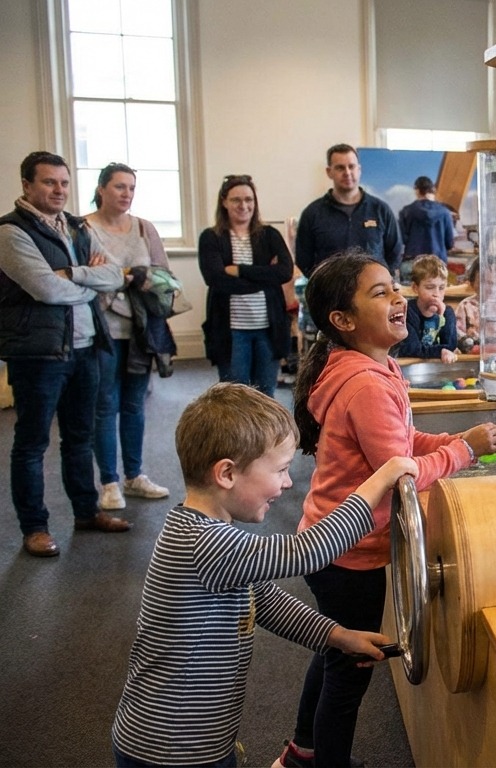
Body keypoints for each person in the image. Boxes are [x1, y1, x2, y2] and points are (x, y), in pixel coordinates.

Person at [277, 252, 496, 768]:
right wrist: (461, 453)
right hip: (349, 553)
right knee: (350, 670)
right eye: (379, 293)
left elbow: (402, 441)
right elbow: (397, 474)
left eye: (393, 288)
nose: (398, 298)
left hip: (331, 540)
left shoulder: (372, 366)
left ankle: (302, 749)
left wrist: (452, 440)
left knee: (333, 647)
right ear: (343, 320)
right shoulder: (365, 384)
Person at [110, 382, 414, 768]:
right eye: (281, 470)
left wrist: (339, 637)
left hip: (198, 741)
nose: (288, 483)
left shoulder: (210, 535)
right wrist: (380, 479)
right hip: (169, 750)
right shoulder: (205, 545)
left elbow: (265, 602)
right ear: (227, 474)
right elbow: (311, 550)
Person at [0, 151, 131, 558]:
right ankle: (35, 527)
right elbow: (45, 289)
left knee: (80, 437)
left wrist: (74, 274)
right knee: (33, 442)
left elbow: (114, 274)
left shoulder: (76, 227)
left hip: (86, 347)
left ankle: (86, 512)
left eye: (64, 183)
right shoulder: (10, 232)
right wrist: (90, 284)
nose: (58, 190)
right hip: (38, 353)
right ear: (27, 185)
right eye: (48, 182)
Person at [84, 162, 172, 511]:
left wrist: (115, 274)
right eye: (119, 187)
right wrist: (127, 275)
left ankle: (135, 476)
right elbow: (83, 278)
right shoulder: (84, 229)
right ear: (102, 189)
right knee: (105, 405)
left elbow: (163, 276)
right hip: (101, 331)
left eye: (131, 188)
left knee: (134, 405)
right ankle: (109, 482)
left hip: (141, 331)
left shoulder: (143, 229)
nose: (126, 194)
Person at [198, 174, 294, 396]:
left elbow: (284, 271)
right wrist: (264, 278)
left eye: (249, 200)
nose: (244, 206)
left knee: (265, 393)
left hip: (267, 329)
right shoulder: (211, 237)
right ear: (224, 202)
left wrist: (240, 270)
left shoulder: (269, 235)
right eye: (236, 200)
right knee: (234, 397)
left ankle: (268, 434)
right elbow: (215, 279)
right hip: (231, 331)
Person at [294, 144, 403, 281]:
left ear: (359, 169)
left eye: (351, 166)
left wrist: (381, 281)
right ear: (329, 172)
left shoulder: (380, 210)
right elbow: (304, 260)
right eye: (340, 167)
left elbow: (395, 253)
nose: (347, 172)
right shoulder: (313, 213)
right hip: (330, 297)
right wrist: (325, 284)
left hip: (373, 294)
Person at [396, 254, 459, 362]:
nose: (436, 294)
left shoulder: (447, 312)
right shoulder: (407, 312)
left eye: (442, 288)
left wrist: (441, 317)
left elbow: (450, 345)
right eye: (430, 287)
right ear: (415, 288)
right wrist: (440, 352)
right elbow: (411, 349)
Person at [397, 175, 457, 269]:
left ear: (416, 190)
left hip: (413, 262)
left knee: (409, 284)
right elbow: (449, 242)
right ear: (432, 189)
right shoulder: (445, 212)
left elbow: (401, 239)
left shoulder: (406, 211)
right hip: (438, 262)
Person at [455, 256, 480, 354]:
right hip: (472, 352)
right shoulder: (465, 305)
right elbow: (457, 332)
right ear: (472, 282)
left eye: (491, 282)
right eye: (481, 281)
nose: (486, 286)